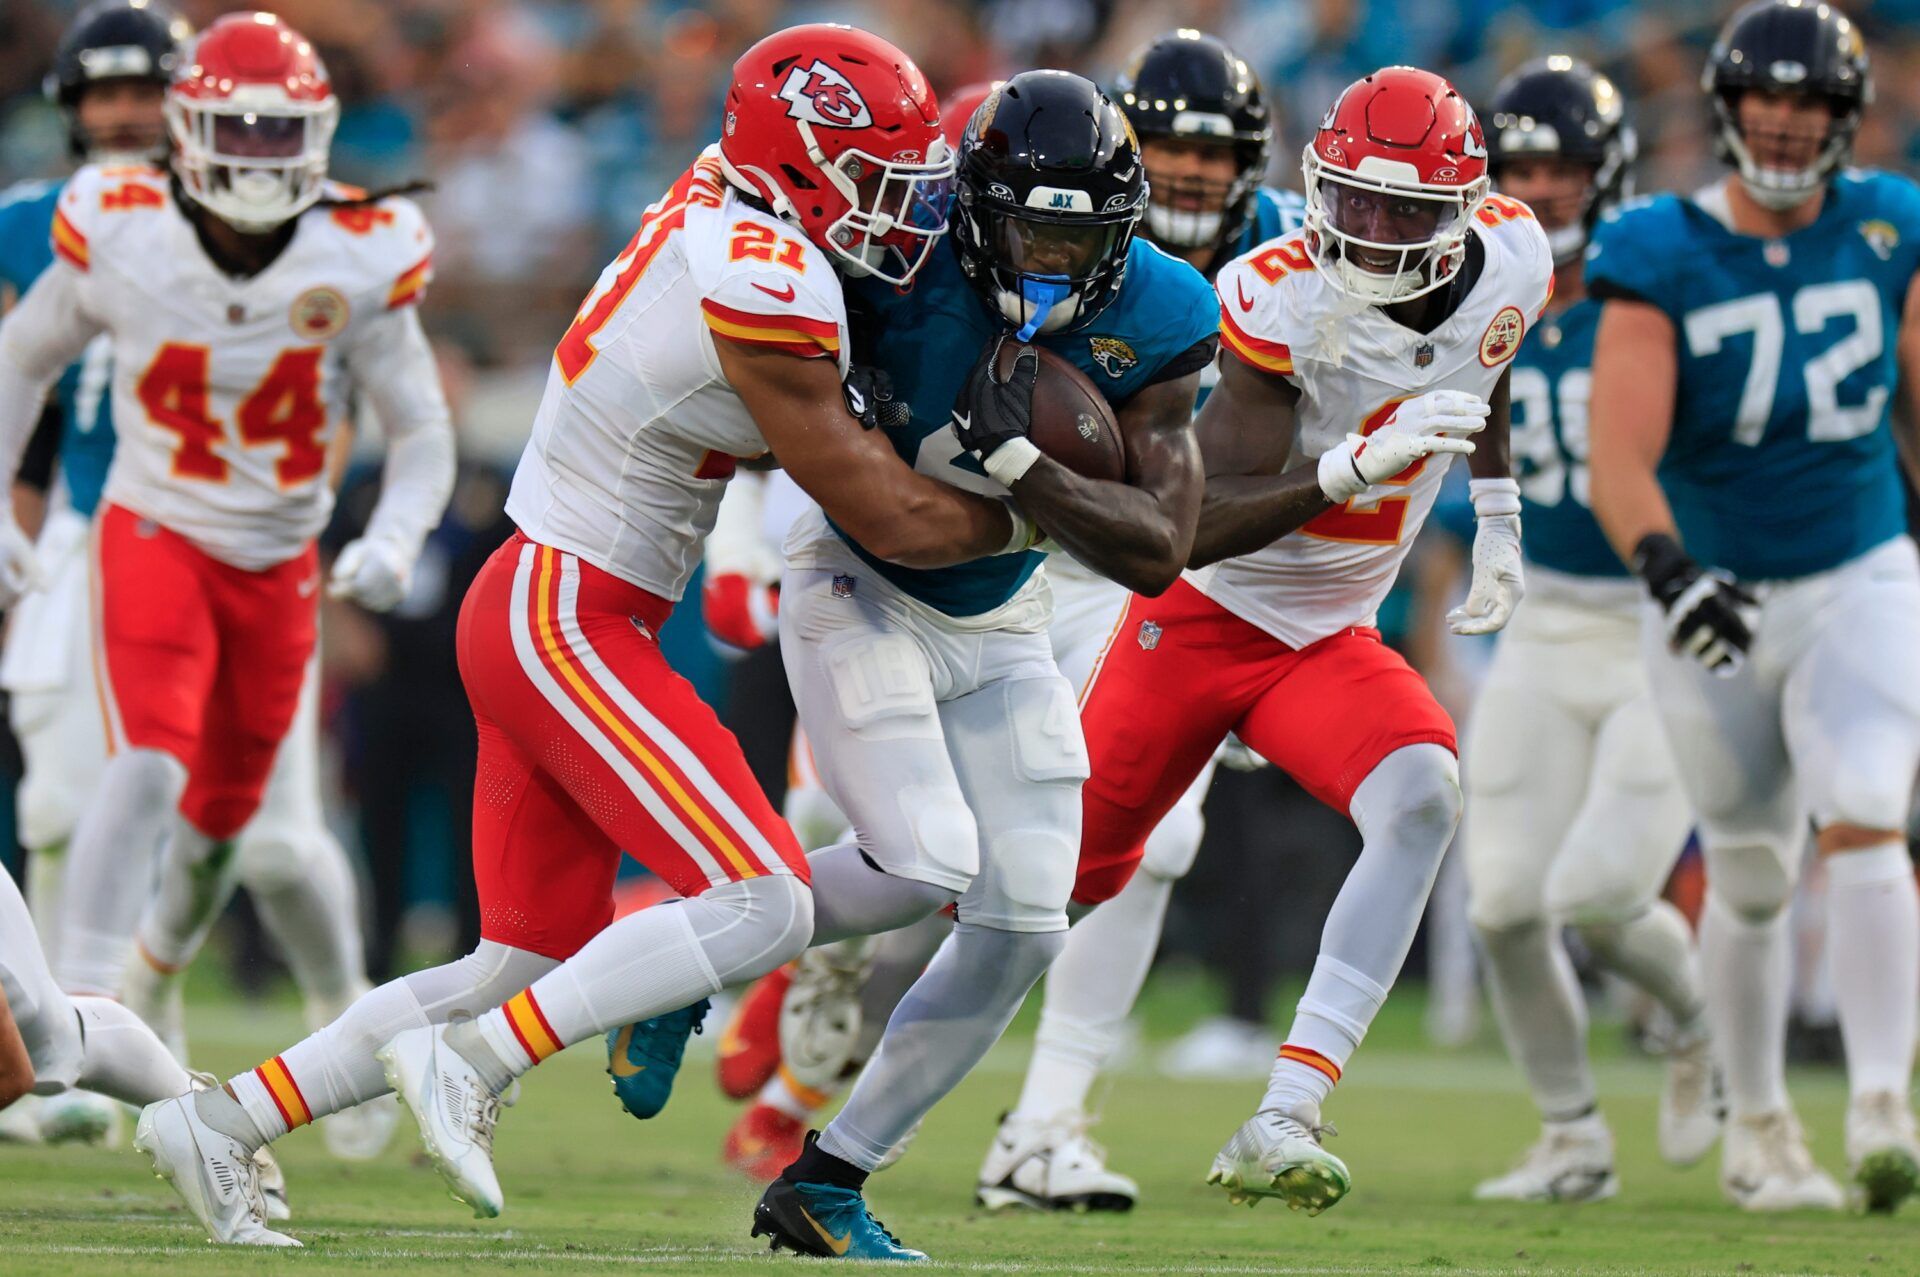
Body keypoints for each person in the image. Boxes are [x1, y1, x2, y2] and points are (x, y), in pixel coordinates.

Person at [133, 23, 1016, 1248]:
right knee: (757, 899)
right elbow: (878, 505)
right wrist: (1046, 506)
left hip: (543, 598)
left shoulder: (731, 205)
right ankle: (478, 1067)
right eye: (877, 182)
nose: (902, 216)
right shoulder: (765, 270)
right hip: (569, 613)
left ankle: (219, 1121)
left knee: (514, 954)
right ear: (799, 171)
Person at [1074, 65, 1547, 1214]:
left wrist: (1496, 512)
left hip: (1325, 638)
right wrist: (1349, 469)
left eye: (1408, 213)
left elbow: (1483, 358)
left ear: (1469, 214)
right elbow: (1188, 532)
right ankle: (809, 948)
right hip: (1200, 620)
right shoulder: (1275, 295)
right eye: (1357, 203)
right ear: (1317, 187)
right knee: (1028, 894)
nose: (1375, 234)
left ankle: (1284, 1109)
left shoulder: (1518, 258)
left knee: (1426, 795)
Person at [0, 0, 394, 1160]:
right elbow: (22, 414)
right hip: (90, 533)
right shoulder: (33, 227)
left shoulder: (268, 222)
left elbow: (337, 396)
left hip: (242, 542)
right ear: (71, 109)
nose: (122, 114)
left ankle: (348, 1021)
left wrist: (299, 534)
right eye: (103, 95)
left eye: (141, 93)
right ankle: (84, 1045)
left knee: (271, 837)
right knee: (66, 806)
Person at [1586, 0, 1920, 1213]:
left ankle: (1885, 1097)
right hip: (1716, 586)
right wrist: (1671, 572)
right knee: (1749, 867)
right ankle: (1761, 1120)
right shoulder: (1660, 248)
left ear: (1845, 117)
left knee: (1870, 805)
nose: (1785, 124)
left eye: (1811, 104)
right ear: (1727, 112)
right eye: (1766, 102)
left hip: (1857, 562)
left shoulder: (1890, 226)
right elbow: (1620, 444)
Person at [1463, 56, 1719, 1205]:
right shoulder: (1468, 295)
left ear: (1603, 175)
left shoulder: (1653, 285)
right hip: (1544, 624)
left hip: (1655, 628)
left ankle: (1707, 1025)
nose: (1541, 188)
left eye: (1561, 167)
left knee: (1603, 890)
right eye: (1517, 167)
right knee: (1504, 903)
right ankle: (1571, 1133)